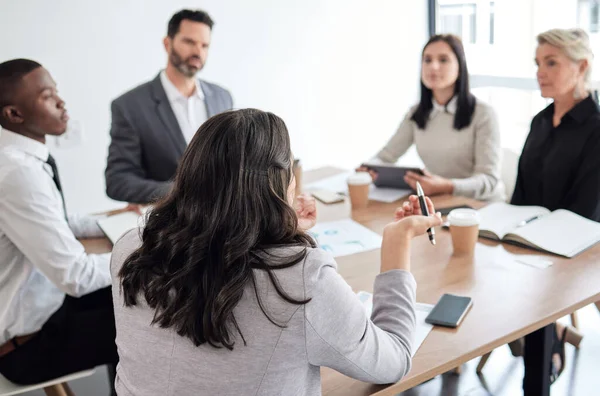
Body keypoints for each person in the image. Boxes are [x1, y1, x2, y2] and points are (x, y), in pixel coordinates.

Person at [110, 109, 443, 395]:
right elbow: (392, 361)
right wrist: (396, 245)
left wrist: (277, 229)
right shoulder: (302, 280)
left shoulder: (128, 248)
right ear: (278, 184)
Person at [0, 59, 127, 393]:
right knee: (145, 317)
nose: (61, 102)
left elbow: (58, 220)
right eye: (47, 95)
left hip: (46, 311)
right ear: (14, 114)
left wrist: (115, 222)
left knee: (130, 299)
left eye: (56, 91)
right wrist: (142, 251)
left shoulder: (21, 159)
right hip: (25, 347)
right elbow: (76, 276)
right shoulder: (17, 174)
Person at [511, 28, 598, 383]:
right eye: (537, 63)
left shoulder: (597, 128)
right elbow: (520, 195)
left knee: (524, 293)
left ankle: (543, 354)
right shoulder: (541, 121)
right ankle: (547, 340)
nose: (540, 72)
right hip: (533, 242)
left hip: (578, 248)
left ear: (581, 67)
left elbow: (587, 210)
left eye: (551, 63)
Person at [105, 9, 233, 204]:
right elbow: (118, 180)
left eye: (204, 45)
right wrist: (181, 191)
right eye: (189, 42)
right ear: (168, 43)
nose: (198, 52)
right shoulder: (130, 106)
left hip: (226, 220)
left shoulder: (222, 98)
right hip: (170, 223)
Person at [359, 34, 504, 201]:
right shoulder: (416, 113)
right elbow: (386, 156)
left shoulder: (483, 114)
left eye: (443, 60)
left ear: (460, 66)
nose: (433, 66)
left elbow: (489, 179)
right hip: (439, 201)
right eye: (427, 60)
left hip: (481, 205)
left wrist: (447, 186)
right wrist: (368, 169)